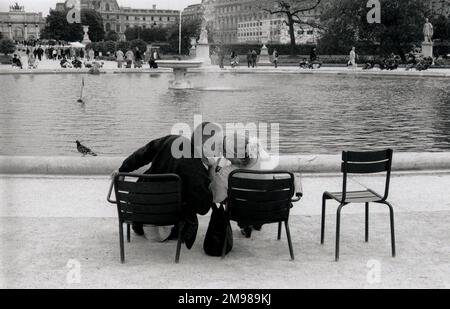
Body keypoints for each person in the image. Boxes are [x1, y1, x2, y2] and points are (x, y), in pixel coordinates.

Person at [115, 123, 222, 249]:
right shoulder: (197, 172)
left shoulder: (173, 140)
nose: (220, 150)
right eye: (218, 145)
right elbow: (203, 208)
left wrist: (122, 169)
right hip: (166, 223)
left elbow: (144, 153)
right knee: (189, 204)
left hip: (138, 214)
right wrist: (210, 172)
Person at [209, 133, 302, 238]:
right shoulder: (265, 161)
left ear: (232, 156)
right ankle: (257, 222)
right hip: (271, 211)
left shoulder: (226, 174)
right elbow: (292, 180)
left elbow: (215, 197)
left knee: (240, 200)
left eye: (224, 151)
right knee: (260, 194)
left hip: (242, 213)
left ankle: (245, 223)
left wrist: (212, 171)